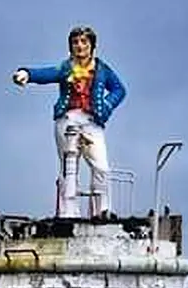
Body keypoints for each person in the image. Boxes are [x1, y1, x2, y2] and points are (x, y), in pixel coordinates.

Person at [12, 25, 127, 218]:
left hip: (92, 121)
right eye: (75, 42)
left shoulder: (102, 69)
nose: (79, 46)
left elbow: (119, 89)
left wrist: (106, 106)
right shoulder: (66, 68)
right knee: (68, 165)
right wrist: (27, 73)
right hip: (68, 119)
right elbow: (47, 74)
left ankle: (101, 210)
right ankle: (67, 212)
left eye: (84, 42)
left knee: (101, 166)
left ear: (92, 45)